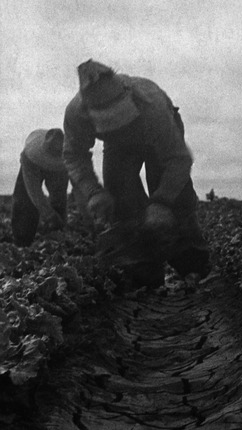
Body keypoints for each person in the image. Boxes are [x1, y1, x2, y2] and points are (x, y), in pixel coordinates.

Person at [63, 59, 210, 287]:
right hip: (116, 146)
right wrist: (93, 191)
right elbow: (74, 155)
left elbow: (178, 159)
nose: (122, 128)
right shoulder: (76, 114)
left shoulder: (151, 104)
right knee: (121, 202)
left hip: (156, 138)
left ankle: (195, 268)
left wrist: (161, 201)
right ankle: (143, 277)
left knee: (176, 201)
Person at [11, 128, 89, 246]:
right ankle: (22, 242)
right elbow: (34, 190)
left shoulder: (69, 158)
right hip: (32, 165)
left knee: (59, 202)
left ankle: (57, 242)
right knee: (24, 201)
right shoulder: (30, 156)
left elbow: (78, 187)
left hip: (59, 170)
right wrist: (49, 215)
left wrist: (87, 216)